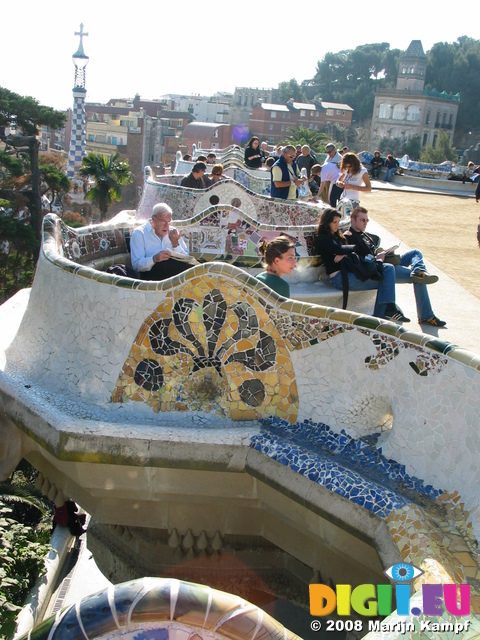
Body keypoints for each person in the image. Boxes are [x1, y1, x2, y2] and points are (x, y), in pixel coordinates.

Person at [344, 207, 446, 327]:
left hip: (386, 261)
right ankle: (426, 315)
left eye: (367, 220)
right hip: (382, 268)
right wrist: (378, 258)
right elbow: (362, 260)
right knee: (419, 278)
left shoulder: (364, 234)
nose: (365, 223)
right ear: (353, 220)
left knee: (415, 253)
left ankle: (419, 270)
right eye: (362, 220)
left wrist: (386, 252)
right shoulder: (349, 236)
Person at [315, 208, 409, 322]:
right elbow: (340, 248)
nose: (337, 225)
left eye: (338, 222)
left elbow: (344, 249)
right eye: (334, 222)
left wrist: (344, 253)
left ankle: (383, 313)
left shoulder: (335, 235)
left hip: (349, 273)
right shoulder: (322, 238)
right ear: (326, 222)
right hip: (340, 278)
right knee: (385, 277)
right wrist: (346, 250)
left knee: (387, 270)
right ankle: (385, 312)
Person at [130, 203, 191, 281]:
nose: (167, 226)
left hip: (174, 274)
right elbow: (136, 265)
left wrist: (176, 244)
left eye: (169, 222)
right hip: (151, 275)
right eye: (163, 222)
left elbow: (186, 260)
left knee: (201, 263)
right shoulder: (139, 234)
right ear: (153, 219)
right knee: (165, 264)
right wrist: (154, 259)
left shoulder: (173, 232)